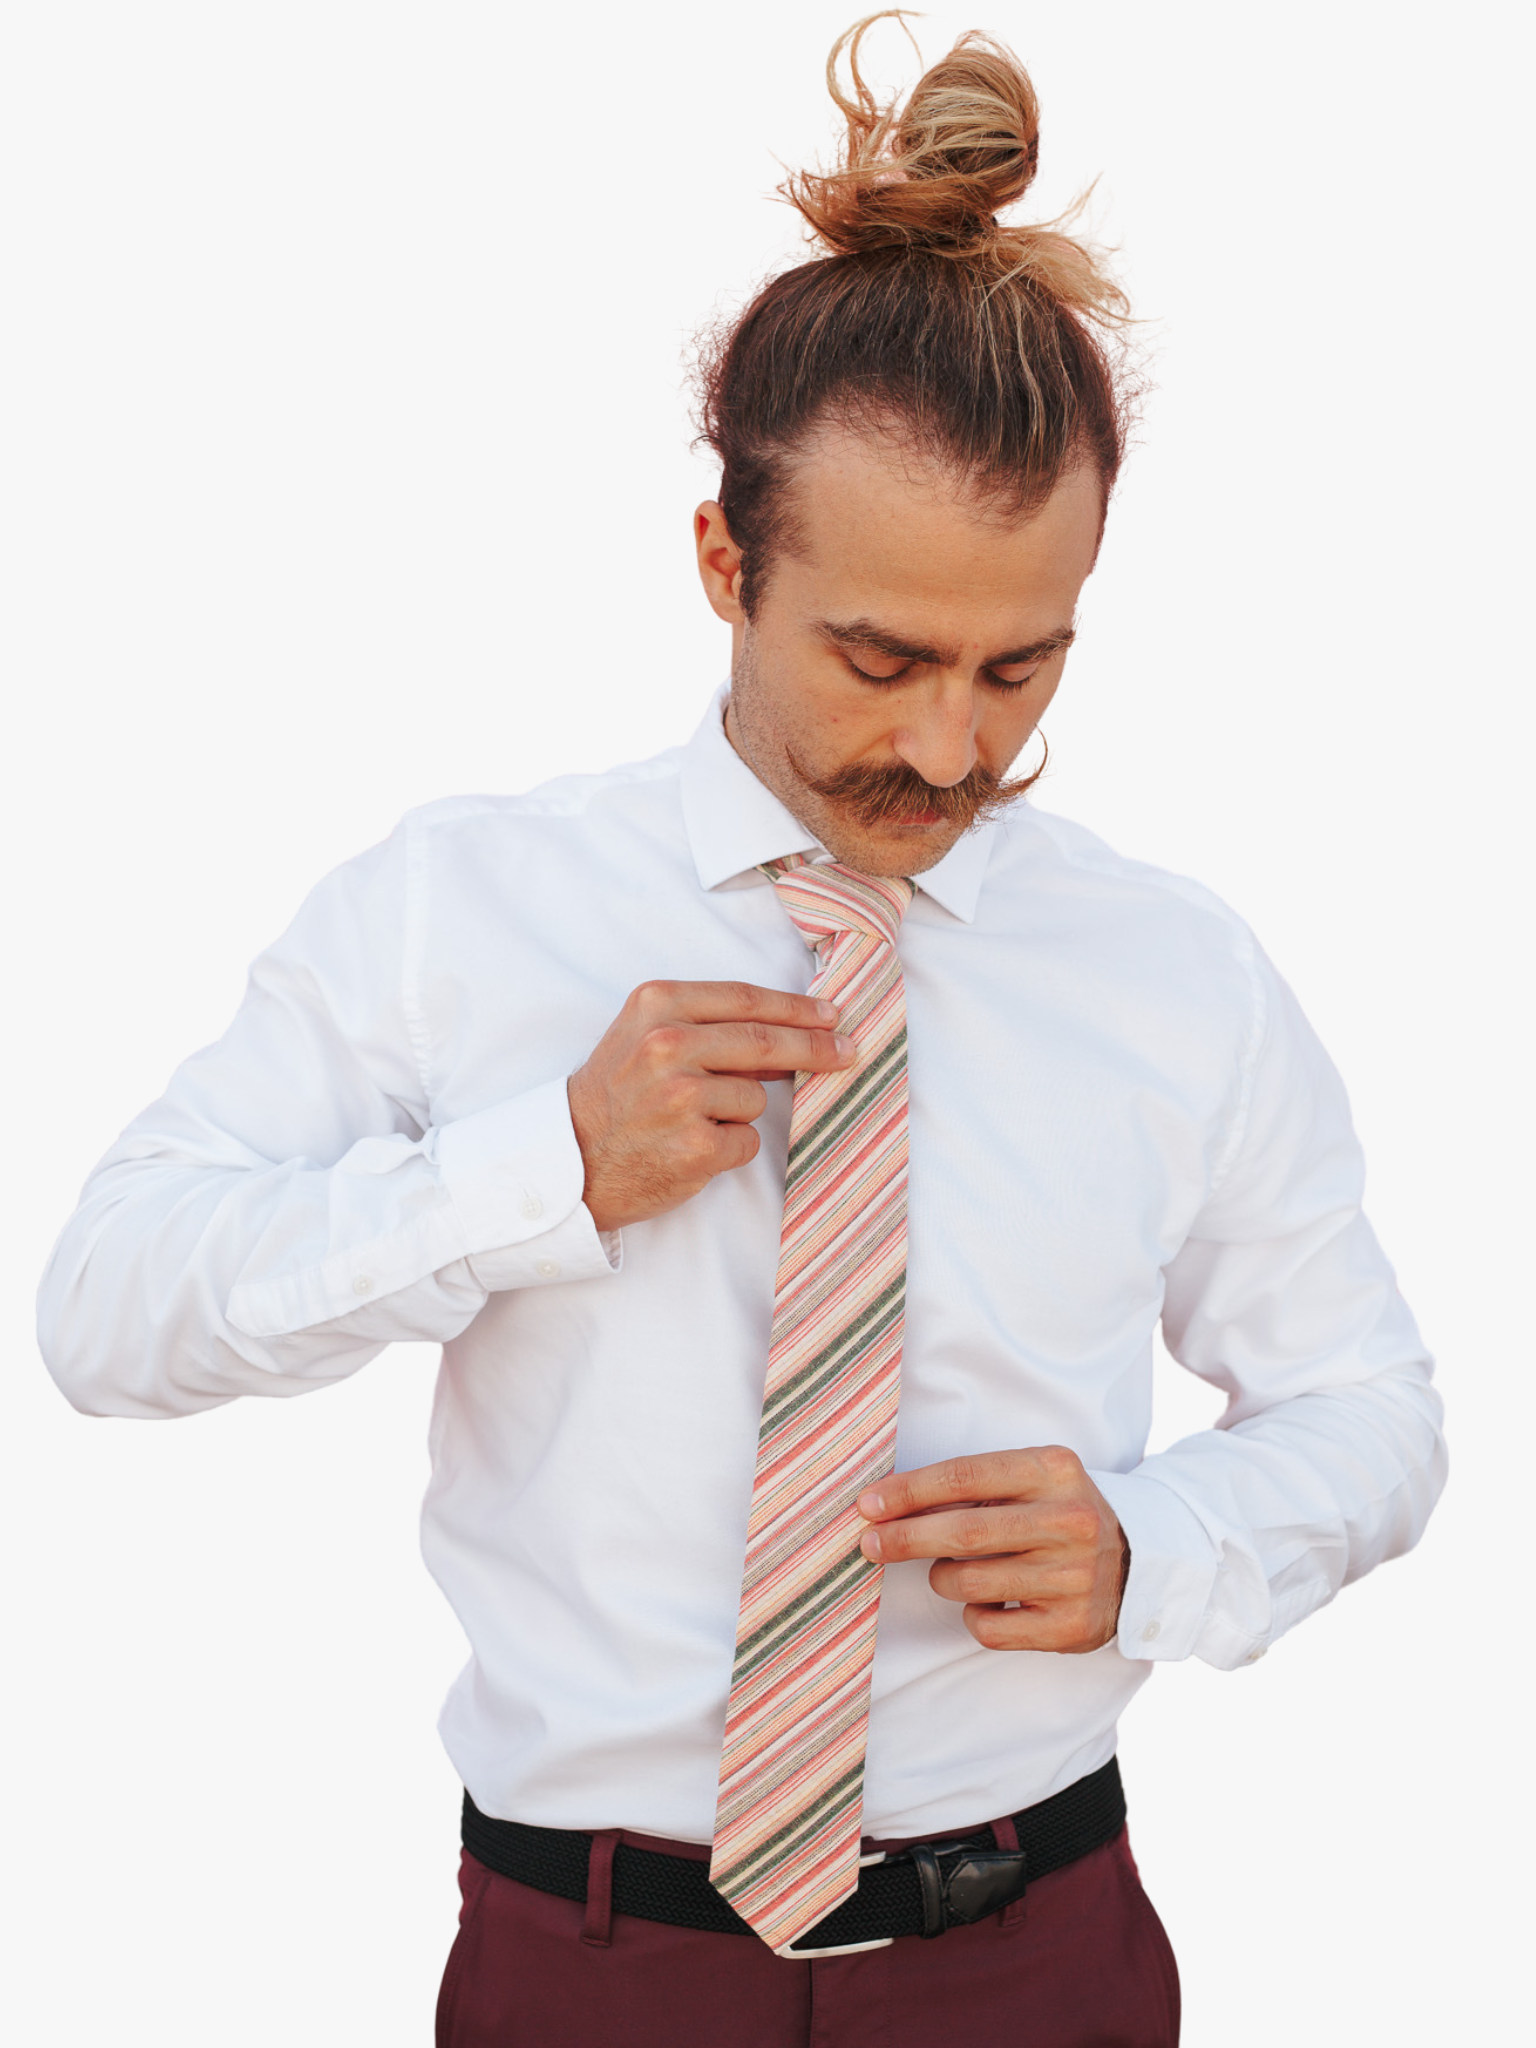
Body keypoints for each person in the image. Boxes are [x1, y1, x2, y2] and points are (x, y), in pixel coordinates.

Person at [38, 16, 1446, 2046]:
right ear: (725, 561)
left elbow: (1374, 1410)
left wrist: (1161, 1538)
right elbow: (107, 1306)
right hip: (591, 1968)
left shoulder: (1176, 974)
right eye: (880, 657)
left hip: (1033, 1953)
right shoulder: (460, 911)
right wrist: (538, 1171)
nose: (952, 745)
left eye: (1019, 665)